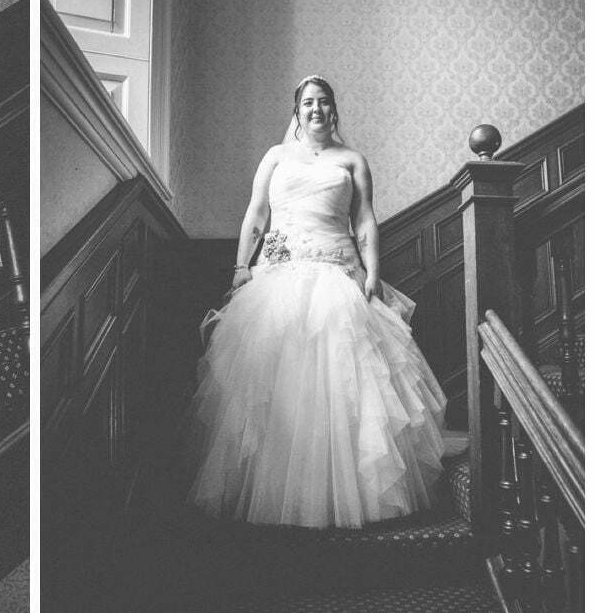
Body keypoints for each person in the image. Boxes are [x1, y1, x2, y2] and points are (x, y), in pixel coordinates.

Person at [187, 76, 447, 529]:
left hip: (338, 275)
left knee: (347, 386)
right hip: (279, 274)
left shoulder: (352, 160)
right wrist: (240, 265)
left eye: (324, 102)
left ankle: (346, 496)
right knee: (277, 382)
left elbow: (365, 220)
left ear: (334, 111)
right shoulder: (275, 156)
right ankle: (277, 494)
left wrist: (374, 272)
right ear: (297, 110)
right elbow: (256, 212)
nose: (316, 109)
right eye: (308, 102)